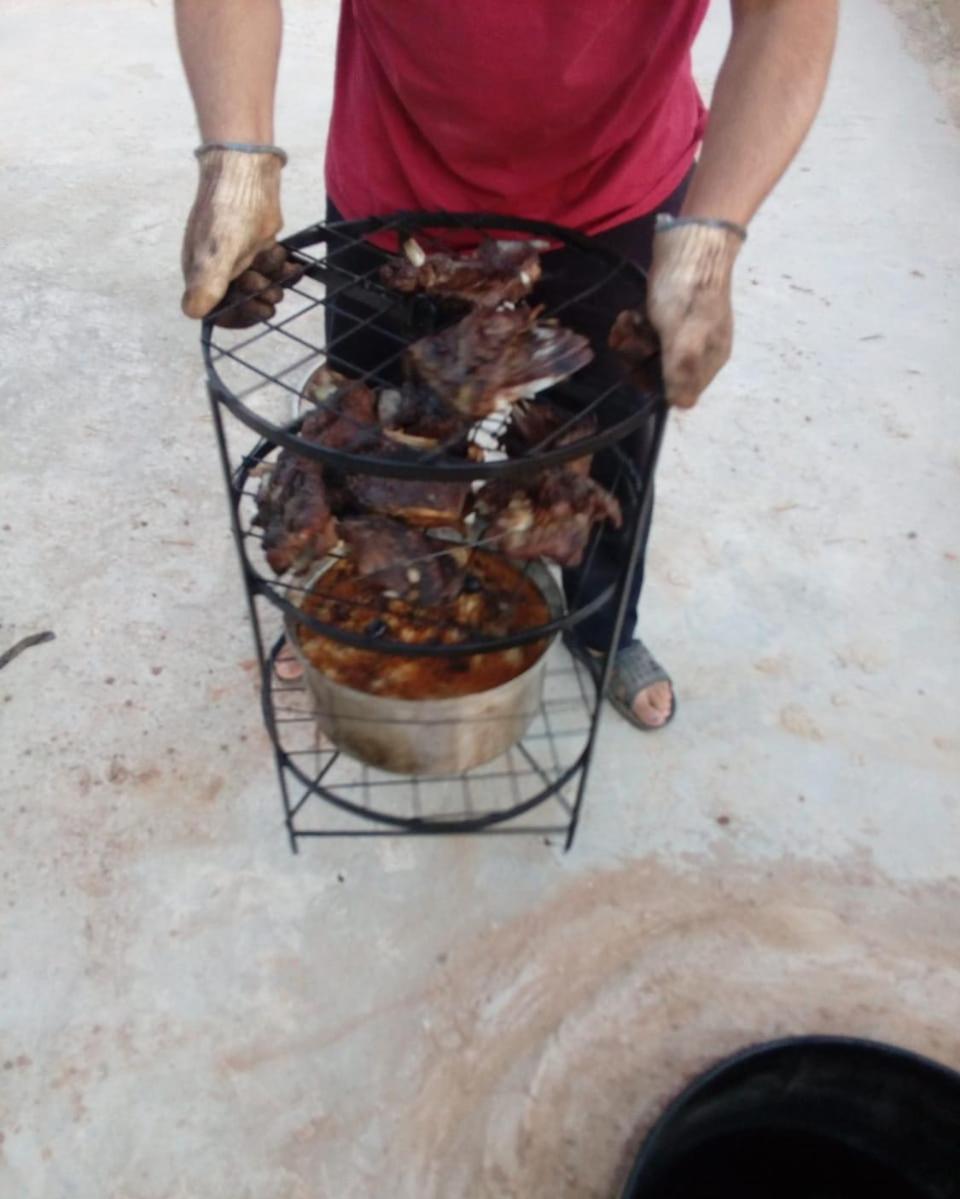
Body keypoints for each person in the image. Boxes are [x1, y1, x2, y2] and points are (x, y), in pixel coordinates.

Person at [176, 0, 838, 730]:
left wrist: (712, 236)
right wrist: (234, 155)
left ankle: (602, 628)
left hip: (616, 184)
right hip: (394, 177)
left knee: (605, 446)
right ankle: (347, 600)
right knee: (368, 443)